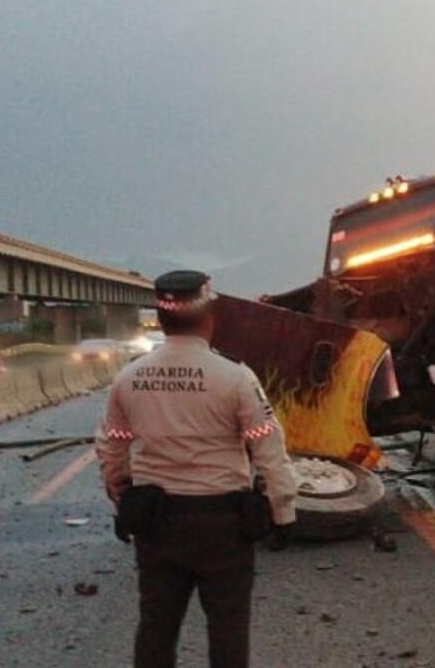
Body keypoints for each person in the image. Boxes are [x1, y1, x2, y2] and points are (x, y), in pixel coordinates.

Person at [96, 270, 297, 668]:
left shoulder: (129, 377)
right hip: (224, 527)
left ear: (161, 316)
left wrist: (121, 495)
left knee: (156, 629)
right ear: (208, 317)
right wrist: (283, 508)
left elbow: (112, 445)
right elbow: (265, 444)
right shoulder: (235, 377)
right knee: (228, 632)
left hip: (157, 524)